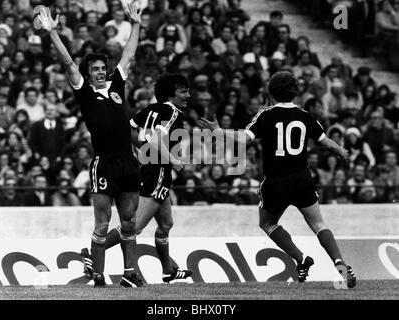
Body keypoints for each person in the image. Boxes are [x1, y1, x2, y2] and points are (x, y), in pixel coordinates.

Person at [198, 71, 356, 288]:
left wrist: (219, 130)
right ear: (295, 93)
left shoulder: (266, 115)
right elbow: (325, 141)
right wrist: (341, 151)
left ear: (270, 94)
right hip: (302, 179)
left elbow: (244, 138)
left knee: (267, 222)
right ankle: (340, 263)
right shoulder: (305, 115)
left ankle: (301, 259)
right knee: (319, 224)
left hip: (276, 181)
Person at [36, 5, 143, 288]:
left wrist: (136, 25)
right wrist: (53, 33)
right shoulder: (84, 90)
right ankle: (97, 276)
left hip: (128, 161)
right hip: (104, 162)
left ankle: (130, 274)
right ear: (87, 73)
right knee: (102, 223)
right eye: (95, 69)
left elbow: (129, 55)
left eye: (102, 68)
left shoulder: (117, 85)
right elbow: (69, 63)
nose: (100, 72)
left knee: (130, 222)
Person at [83, 73, 193, 284]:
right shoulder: (172, 113)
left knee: (166, 224)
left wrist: (140, 150)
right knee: (135, 226)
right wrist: (172, 160)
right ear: (171, 95)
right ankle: (93, 253)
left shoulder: (151, 109)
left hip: (150, 169)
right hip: (158, 172)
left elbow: (129, 128)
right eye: (183, 91)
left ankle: (168, 271)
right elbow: (155, 138)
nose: (188, 95)